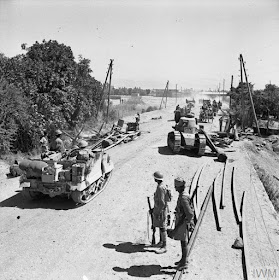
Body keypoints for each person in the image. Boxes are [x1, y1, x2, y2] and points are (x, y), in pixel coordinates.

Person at [167, 177, 194, 270]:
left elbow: (189, 213)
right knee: (182, 241)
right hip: (182, 220)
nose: (175, 188)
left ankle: (184, 262)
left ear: (180, 187)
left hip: (182, 222)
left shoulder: (183, 197)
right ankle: (183, 259)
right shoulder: (184, 194)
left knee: (183, 242)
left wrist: (183, 223)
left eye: (176, 187)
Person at [152, 171, 170, 254]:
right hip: (161, 209)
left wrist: (158, 212)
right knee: (160, 226)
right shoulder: (162, 185)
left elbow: (162, 202)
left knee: (162, 228)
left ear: (156, 179)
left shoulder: (160, 188)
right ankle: (161, 242)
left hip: (161, 210)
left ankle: (164, 246)